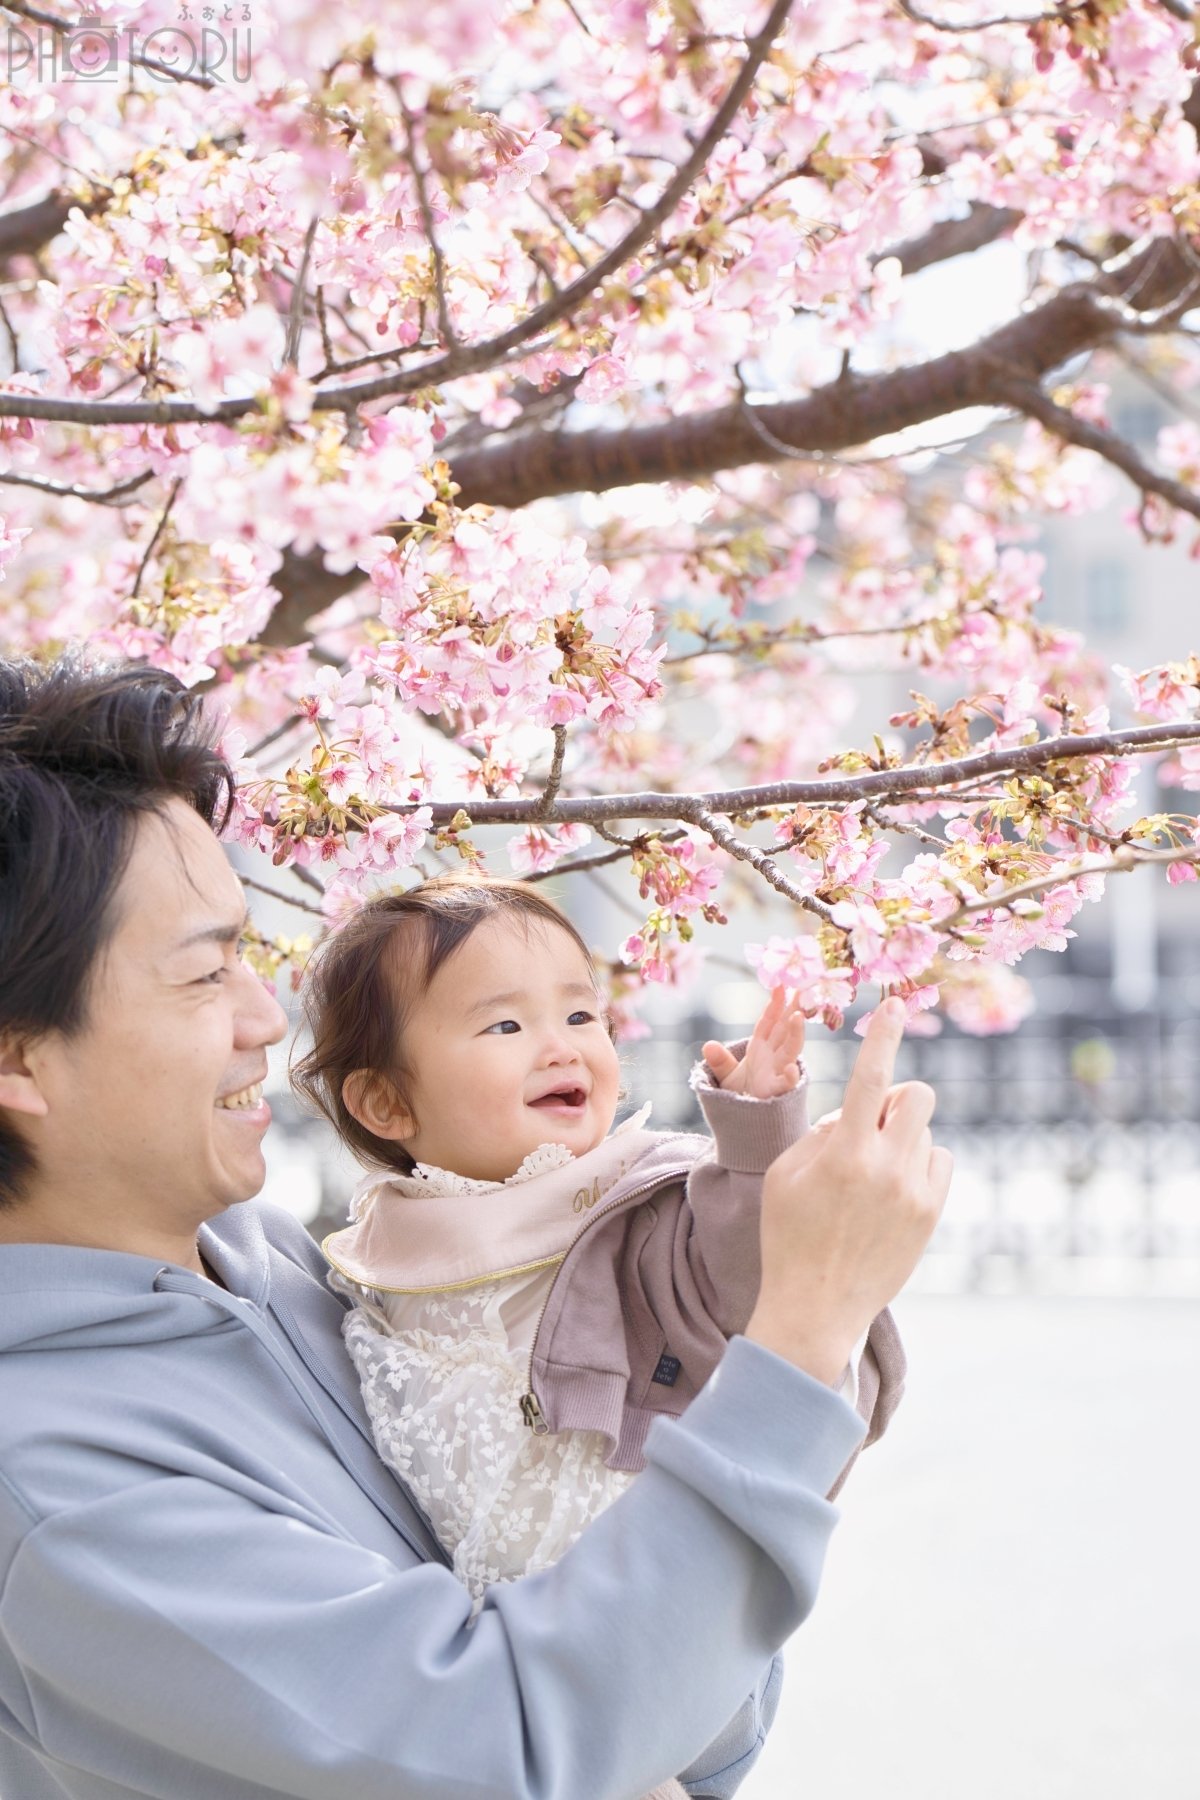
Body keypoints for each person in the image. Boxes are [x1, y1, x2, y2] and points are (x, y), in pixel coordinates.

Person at [0, 653, 952, 1800]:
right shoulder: (58, 1492)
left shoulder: (312, 1278)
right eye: (206, 978)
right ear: (18, 1057)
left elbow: (701, 1723)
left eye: (251, 956)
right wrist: (803, 1330)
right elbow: (514, 1750)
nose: (266, 1015)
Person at [294, 875, 906, 1625]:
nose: (561, 1047)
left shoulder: (635, 1201)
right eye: (505, 1028)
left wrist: (753, 1141)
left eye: (581, 1014)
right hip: (481, 1594)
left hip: (629, 1550)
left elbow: (740, 1285)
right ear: (388, 1102)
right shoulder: (390, 1239)